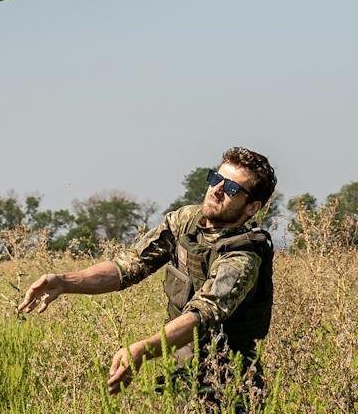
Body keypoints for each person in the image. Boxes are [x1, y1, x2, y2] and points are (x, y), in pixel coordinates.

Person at [18, 146, 276, 397]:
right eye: (216, 178)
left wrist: (143, 349)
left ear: (251, 207)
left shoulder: (242, 257)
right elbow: (129, 266)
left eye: (231, 188)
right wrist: (65, 282)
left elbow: (201, 315)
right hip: (183, 362)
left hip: (230, 380)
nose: (217, 189)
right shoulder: (186, 221)